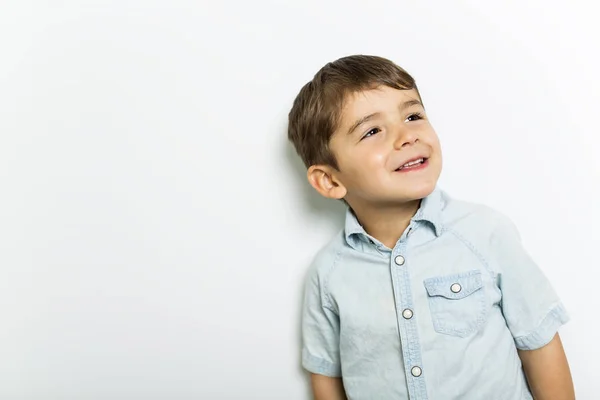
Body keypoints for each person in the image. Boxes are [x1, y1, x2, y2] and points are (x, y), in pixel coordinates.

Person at [287, 55, 574, 400]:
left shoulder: (485, 233)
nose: (407, 135)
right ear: (330, 181)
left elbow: (539, 341)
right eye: (373, 130)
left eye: (413, 116)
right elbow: (326, 375)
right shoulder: (329, 273)